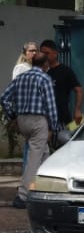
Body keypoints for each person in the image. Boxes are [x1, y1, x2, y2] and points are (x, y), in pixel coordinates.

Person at [1, 47, 61, 208]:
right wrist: (53, 127)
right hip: (38, 121)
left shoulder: (21, 77)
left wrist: (13, 116)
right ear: (45, 64)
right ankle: (23, 196)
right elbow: (50, 105)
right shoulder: (45, 78)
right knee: (34, 159)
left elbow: (4, 98)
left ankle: (47, 189)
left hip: (22, 120)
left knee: (44, 153)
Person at [37, 40, 84, 129]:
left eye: (47, 53)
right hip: (44, 119)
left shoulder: (65, 71)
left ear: (55, 53)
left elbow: (79, 90)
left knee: (68, 135)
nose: (44, 57)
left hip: (62, 118)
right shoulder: (41, 73)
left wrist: (77, 110)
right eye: (42, 54)